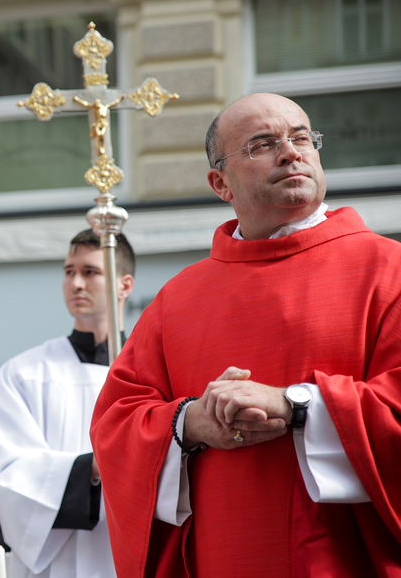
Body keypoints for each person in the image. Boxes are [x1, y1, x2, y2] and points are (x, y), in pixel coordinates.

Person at [91, 93, 401, 577]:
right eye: (263, 144)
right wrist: (190, 422)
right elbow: (116, 423)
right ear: (221, 183)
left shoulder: (387, 270)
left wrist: (296, 406)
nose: (291, 152)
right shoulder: (178, 299)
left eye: (302, 138)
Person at [0, 229, 134, 578]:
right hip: (53, 565)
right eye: (69, 271)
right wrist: (93, 467)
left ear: (124, 285)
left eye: (90, 272)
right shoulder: (24, 372)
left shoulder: (151, 369)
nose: (76, 283)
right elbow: (7, 472)